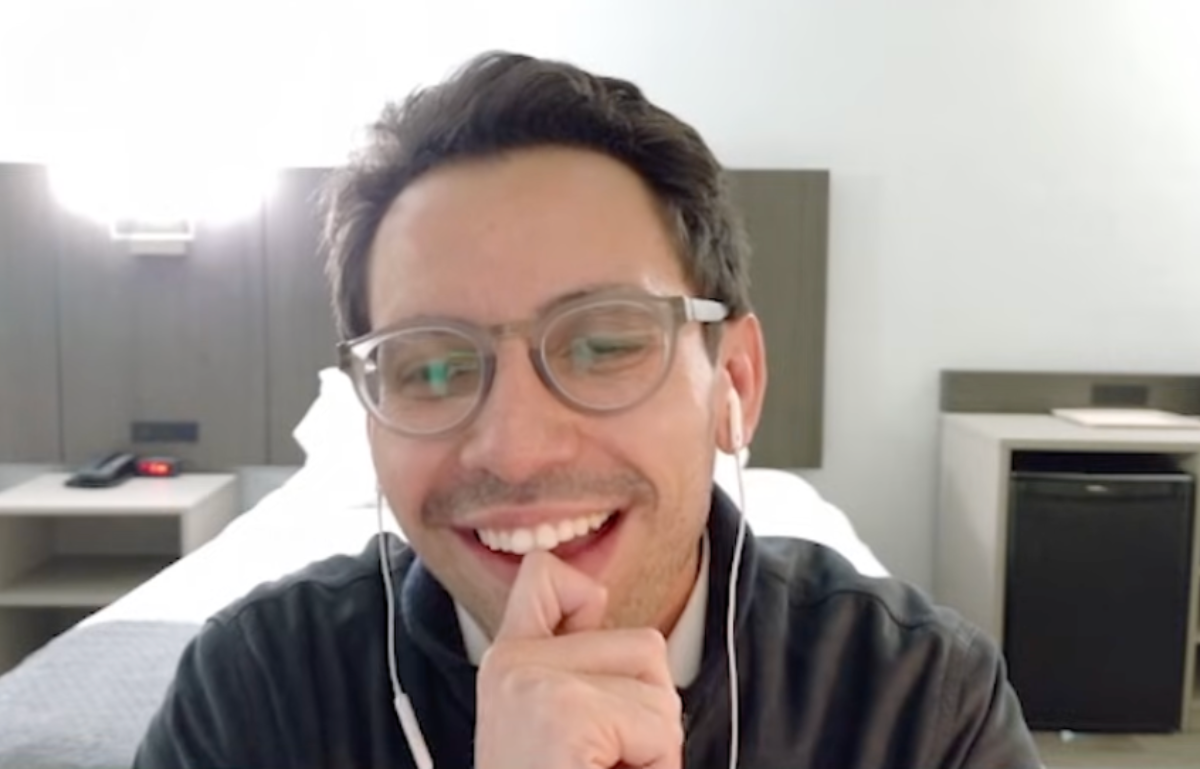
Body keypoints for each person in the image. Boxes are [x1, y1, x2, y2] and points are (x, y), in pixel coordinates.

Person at [134, 51, 1040, 769]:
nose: (517, 452)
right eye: (434, 370)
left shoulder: (917, 703)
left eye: (604, 347)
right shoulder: (254, 695)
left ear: (736, 384)